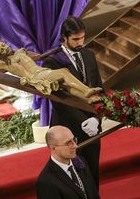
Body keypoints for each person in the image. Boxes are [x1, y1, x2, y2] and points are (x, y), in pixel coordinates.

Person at [0, 38, 102, 102]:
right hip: (35, 78)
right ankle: (87, 90)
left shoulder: (20, 52)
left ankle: (87, 99)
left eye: (3, 44)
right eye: (1, 47)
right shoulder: (3, 64)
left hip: (41, 72)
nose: (5, 46)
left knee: (65, 85)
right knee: (64, 72)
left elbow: (36, 56)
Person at [42, 16, 103, 187]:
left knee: (93, 173)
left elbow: (99, 89)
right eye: (75, 39)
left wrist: (96, 118)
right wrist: (83, 120)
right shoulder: (52, 62)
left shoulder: (89, 55)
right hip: (67, 127)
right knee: (73, 178)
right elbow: (58, 99)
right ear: (64, 37)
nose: (80, 42)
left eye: (82, 38)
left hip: (91, 126)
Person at [36, 125, 99, 199]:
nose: (75, 146)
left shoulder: (81, 161)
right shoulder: (45, 182)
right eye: (68, 143)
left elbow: (93, 193)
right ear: (53, 148)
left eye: (74, 140)